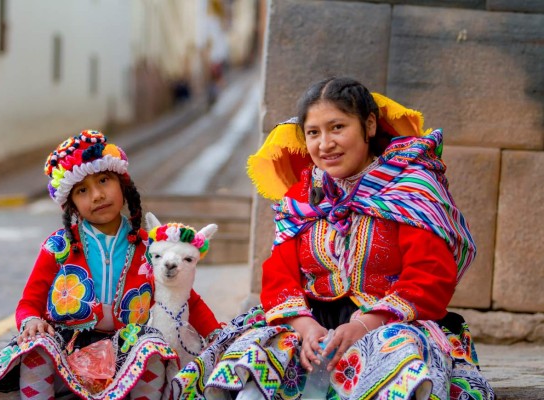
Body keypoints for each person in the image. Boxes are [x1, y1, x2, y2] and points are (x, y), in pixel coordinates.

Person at [171, 77, 494, 399]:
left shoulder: (409, 188)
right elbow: (279, 275)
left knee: (398, 352)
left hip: (393, 320)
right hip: (312, 319)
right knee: (259, 349)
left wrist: (366, 324)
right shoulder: (303, 195)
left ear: (368, 125)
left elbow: (430, 275)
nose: (324, 144)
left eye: (337, 127)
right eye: (313, 133)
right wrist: (304, 326)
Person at [0, 130, 221, 400]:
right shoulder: (58, 248)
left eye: (104, 180)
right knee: (36, 346)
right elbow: (29, 301)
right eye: (83, 190)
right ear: (72, 205)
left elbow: (185, 298)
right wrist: (30, 322)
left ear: (123, 186)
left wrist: (215, 332)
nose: (97, 195)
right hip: (69, 351)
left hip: (126, 353)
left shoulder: (150, 248)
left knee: (153, 346)